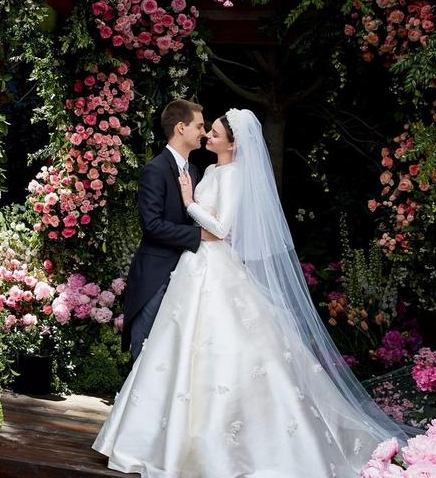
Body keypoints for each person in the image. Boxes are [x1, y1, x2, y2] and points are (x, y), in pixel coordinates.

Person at [93, 108, 409, 477]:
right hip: (192, 266)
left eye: (212, 131)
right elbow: (167, 225)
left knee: (227, 350)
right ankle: (157, 439)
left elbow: (221, 227)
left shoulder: (230, 174)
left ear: (233, 141)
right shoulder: (203, 170)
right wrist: (196, 219)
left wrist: (192, 205)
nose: (206, 135)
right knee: (173, 350)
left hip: (213, 265)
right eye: (203, 128)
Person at [122, 99, 218, 362]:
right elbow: (151, 225)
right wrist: (198, 236)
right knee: (145, 350)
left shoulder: (197, 171)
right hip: (156, 275)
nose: (203, 132)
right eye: (199, 126)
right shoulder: (155, 170)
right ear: (180, 127)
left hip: (190, 275)